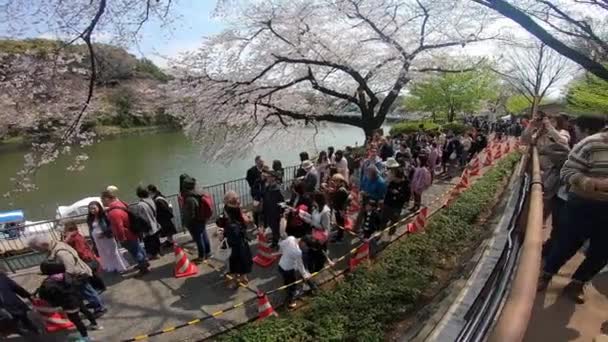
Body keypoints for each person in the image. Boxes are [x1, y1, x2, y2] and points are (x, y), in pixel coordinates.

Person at [538, 119, 608, 303]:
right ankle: (546, 274)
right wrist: (592, 184)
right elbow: (568, 171)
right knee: (567, 242)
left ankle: (577, 283)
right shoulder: (592, 143)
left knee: (602, 252)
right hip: (583, 203)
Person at [27, 235, 107, 317]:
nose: (38, 251)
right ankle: (94, 303)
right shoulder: (56, 245)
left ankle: (99, 308)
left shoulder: (61, 252)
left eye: (37, 249)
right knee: (85, 292)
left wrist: (66, 280)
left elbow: (70, 268)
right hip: (78, 273)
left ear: (44, 244)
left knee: (88, 292)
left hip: (79, 274)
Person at [38, 264, 102, 340]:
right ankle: (95, 325)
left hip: (66, 303)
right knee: (86, 311)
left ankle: (85, 337)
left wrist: (54, 303)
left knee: (77, 321)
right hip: (77, 298)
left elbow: (43, 296)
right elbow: (78, 283)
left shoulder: (48, 283)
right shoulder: (68, 276)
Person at [102, 190, 150, 276]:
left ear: (107, 199)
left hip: (127, 235)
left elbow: (118, 227)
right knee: (138, 248)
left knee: (135, 252)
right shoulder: (120, 203)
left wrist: (122, 239)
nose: (102, 202)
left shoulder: (113, 212)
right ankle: (145, 263)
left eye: (103, 200)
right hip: (132, 230)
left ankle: (144, 268)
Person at [216, 191, 253, 289]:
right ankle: (243, 277)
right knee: (242, 261)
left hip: (233, 240)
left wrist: (223, 232)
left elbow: (221, 222)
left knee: (235, 261)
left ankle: (238, 278)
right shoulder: (237, 211)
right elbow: (245, 222)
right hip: (239, 240)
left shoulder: (227, 211)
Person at [86, 201, 129, 273]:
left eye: (94, 208)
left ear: (99, 207)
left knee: (113, 252)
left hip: (107, 237)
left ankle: (121, 267)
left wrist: (104, 233)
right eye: (90, 209)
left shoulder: (105, 215)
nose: (92, 210)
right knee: (104, 253)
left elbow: (112, 226)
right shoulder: (90, 218)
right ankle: (111, 267)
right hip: (98, 240)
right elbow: (91, 229)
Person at [63, 222, 106, 292]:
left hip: (87, 259)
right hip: (88, 258)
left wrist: (83, 259)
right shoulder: (77, 236)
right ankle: (99, 287)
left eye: (65, 230)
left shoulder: (75, 238)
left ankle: (100, 287)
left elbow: (80, 250)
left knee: (91, 275)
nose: (64, 232)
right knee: (92, 275)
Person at [180, 175, 212, 262]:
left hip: (195, 222)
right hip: (202, 218)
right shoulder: (199, 193)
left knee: (198, 239)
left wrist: (186, 223)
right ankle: (208, 252)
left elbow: (189, 214)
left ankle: (201, 256)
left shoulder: (189, 198)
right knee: (204, 235)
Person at [0, 271, 39, 336]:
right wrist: (28, 296)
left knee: (13, 320)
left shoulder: (2, 276)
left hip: (6, 308)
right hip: (13, 304)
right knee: (22, 317)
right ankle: (30, 327)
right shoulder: (1, 276)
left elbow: (16, 287)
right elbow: (16, 288)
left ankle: (20, 329)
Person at [278, 236, 311, 309]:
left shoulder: (291, 238)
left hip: (281, 265)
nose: (305, 247)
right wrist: (305, 275)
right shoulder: (297, 252)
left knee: (286, 281)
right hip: (288, 270)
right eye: (305, 245)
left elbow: (281, 244)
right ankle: (291, 301)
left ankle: (286, 288)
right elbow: (300, 264)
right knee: (293, 285)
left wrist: (284, 253)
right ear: (302, 242)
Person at [134, 186, 162, 260]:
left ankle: (153, 255)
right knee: (156, 240)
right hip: (155, 224)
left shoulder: (140, 205)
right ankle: (158, 253)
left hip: (149, 227)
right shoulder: (151, 200)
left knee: (149, 242)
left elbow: (142, 217)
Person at [383, 167, 410, 235]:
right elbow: (388, 190)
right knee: (384, 219)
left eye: (395, 178)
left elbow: (406, 198)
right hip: (388, 204)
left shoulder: (406, 185)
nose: (394, 179)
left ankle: (391, 233)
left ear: (400, 178)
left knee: (394, 220)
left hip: (397, 206)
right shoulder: (392, 182)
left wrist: (398, 194)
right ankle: (381, 232)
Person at [262, 170, 285, 248]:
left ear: (273, 178)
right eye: (267, 177)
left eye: (268, 177)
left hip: (275, 213)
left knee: (275, 228)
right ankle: (275, 240)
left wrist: (281, 212)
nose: (267, 178)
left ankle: (276, 243)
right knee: (272, 227)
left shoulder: (277, 189)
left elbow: (282, 202)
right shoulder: (267, 187)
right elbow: (265, 198)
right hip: (268, 211)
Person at [329, 173, 350, 243]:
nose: (334, 182)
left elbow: (338, 200)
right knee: (339, 223)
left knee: (341, 223)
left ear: (340, 181)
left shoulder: (341, 190)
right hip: (338, 209)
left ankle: (340, 237)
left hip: (340, 210)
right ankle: (339, 234)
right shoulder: (339, 189)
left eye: (335, 181)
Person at [246, 157, 265, 228]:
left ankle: (263, 221)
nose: (262, 163)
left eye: (262, 161)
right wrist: (254, 186)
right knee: (256, 208)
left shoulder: (265, 169)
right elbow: (249, 180)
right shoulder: (251, 171)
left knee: (264, 207)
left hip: (264, 193)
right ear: (256, 162)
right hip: (256, 194)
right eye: (261, 161)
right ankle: (256, 223)